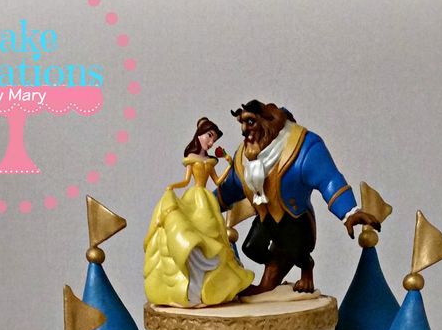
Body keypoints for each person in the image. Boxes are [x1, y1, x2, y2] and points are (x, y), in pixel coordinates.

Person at [215, 99, 379, 295]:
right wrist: (202, 205)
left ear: (267, 120)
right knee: (251, 248)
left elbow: (328, 178)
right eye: (242, 123)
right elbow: (230, 189)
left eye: (250, 122)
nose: (244, 131)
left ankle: (301, 270)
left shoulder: (303, 146)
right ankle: (276, 268)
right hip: (266, 218)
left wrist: (349, 212)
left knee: (293, 252)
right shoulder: (244, 157)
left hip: (295, 221)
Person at [144, 117, 254, 306]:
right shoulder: (192, 158)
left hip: (207, 200)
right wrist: (172, 187)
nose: (211, 142)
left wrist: (229, 165)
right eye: (209, 136)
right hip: (194, 197)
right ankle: (192, 279)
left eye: (214, 140)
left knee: (212, 231)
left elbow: (217, 182)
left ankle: (213, 276)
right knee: (191, 230)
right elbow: (186, 181)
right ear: (199, 134)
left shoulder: (210, 161)